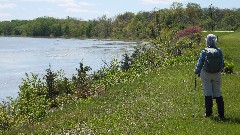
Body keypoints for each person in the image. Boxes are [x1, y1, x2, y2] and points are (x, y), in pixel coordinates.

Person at [194, 34, 225, 119]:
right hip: (217, 74)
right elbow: (222, 64)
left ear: (207, 41)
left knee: (208, 92)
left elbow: (200, 63)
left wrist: (196, 71)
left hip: (206, 74)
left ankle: (208, 113)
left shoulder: (204, 51)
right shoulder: (219, 51)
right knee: (218, 93)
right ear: (215, 41)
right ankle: (221, 114)